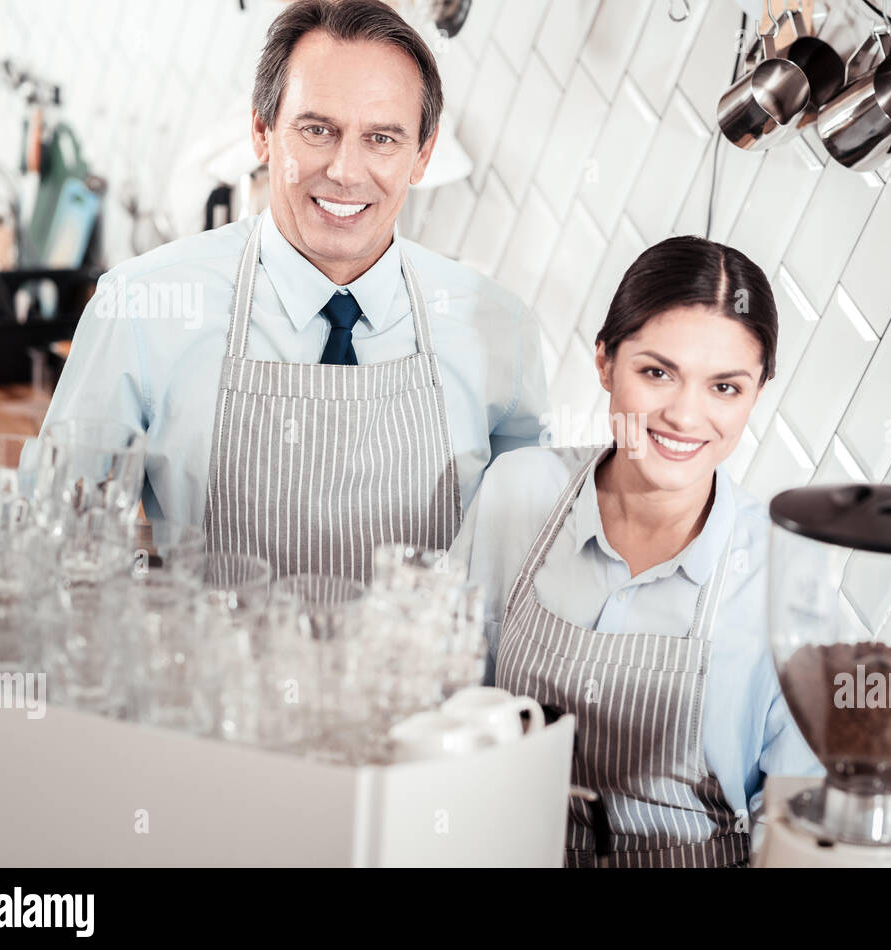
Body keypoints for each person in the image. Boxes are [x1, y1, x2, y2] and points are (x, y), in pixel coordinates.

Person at [40, 0, 546, 581]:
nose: (346, 171)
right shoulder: (138, 308)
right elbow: (56, 547)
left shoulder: (499, 328)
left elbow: (520, 570)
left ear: (422, 155)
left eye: (382, 138)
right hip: (214, 671)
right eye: (316, 130)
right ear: (262, 132)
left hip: (419, 675)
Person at [451, 236, 821, 867]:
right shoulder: (520, 491)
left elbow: (799, 814)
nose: (684, 415)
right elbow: (443, 699)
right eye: (657, 373)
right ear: (604, 362)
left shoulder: (787, 568)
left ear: (757, 391)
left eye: (725, 387)